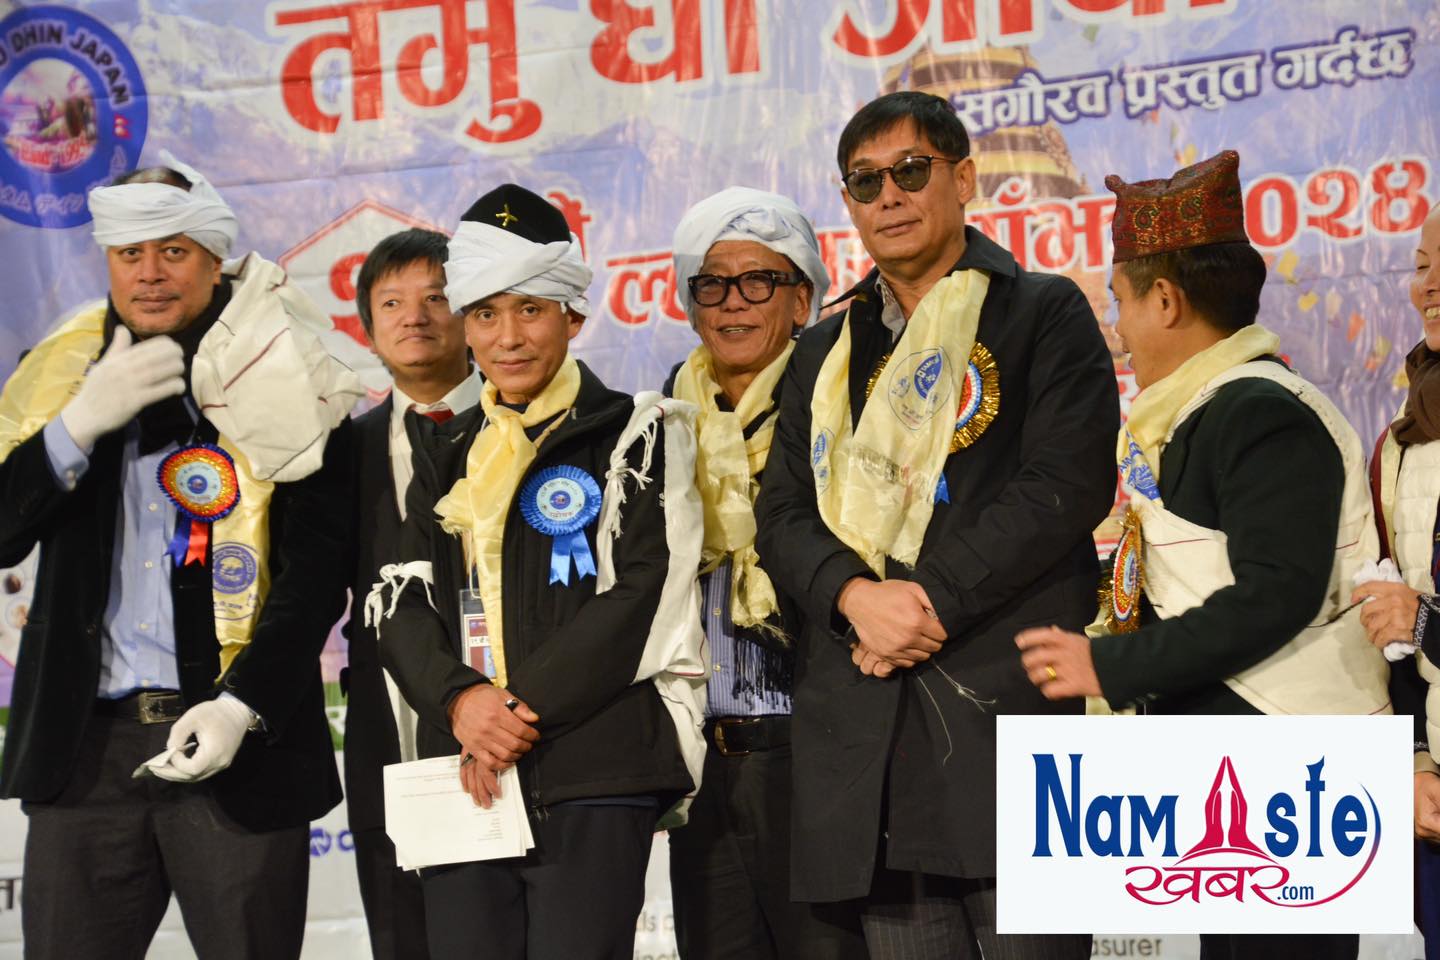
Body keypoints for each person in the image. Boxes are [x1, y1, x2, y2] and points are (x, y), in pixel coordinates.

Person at [753, 90, 1116, 960]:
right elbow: (781, 513)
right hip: (866, 727)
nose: (889, 196)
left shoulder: (1042, 313)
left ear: (964, 178)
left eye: (911, 172)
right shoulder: (823, 350)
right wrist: (853, 597)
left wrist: (919, 603)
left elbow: (1064, 486)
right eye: (865, 181)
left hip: (1004, 704)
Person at [1016, 149, 1387, 960]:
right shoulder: (1199, 413)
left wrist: (1108, 664)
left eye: (1119, 301)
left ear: (1165, 300)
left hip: (1296, 777)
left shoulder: (1261, 412)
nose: (1117, 327)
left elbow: (1276, 594)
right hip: (1239, 769)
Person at [0, 154, 360, 958]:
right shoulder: (62, 368)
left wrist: (241, 706)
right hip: (84, 753)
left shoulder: (291, 369)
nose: (151, 273)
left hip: (241, 746)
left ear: (213, 257)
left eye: (173, 251)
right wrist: (74, 428)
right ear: (107, 260)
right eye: (131, 253)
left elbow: (316, 575)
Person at [367, 184, 707, 960]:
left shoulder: (636, 432)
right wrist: (461, 702)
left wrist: (514, 712)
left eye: (530, 309)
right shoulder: (445, 451)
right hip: (465, 769)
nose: (508, 336)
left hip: (593, 772)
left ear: (573, 315)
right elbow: (398, 598)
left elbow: (645, 595)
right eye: (486, 313)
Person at [664, 187, 866, 960]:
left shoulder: (843, 410)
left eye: (759, 281)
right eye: (712, 284)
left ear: (803, 299)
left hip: (817, 751)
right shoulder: (662, 422)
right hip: (702, 760)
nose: (733, 302)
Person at [343, 228, 477, 960]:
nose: (415, 317)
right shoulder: (342, 450)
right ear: (368, 327)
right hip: (387, 746)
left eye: (436, 297)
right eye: (392, 302)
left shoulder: (525, 422)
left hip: (508, 732)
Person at [1355, 202, 1440, 954]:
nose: (1429, 286)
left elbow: (1421, 620)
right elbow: (1393, 635)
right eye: (1420, 266)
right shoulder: (1399, 447)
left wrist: (1429, 623)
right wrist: (1412, 762)